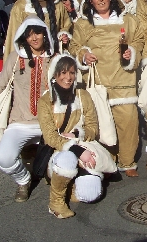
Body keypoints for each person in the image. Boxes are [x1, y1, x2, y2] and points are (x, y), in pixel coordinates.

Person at [70, 0, 144, 177]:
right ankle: (108, 160)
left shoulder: (128, 20)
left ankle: (127, 161)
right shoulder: (83, 23)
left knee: (128, 121)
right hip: (97, 80)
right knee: (102, 123)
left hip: (123, 79)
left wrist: (132, 52)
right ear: (90, 0)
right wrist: (84, 55)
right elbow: (74, 46)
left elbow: (139, 40)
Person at [0, 17, 54, 202]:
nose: (34, 38)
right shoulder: (15, 57)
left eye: (38, 33)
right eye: (29, 35)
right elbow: (0, 85)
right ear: (24, 37)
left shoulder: (54, 57)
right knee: (5, 159)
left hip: (49, 122)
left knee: (58, 168)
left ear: (45, 34)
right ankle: (23, 180)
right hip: (20, 121)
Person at [38, 54, 105, 219]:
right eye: (63, 72)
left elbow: (93, 128)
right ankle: (56, 202)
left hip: (83, 144)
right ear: (55, 74)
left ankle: (71, 184)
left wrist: (77, 134)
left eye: (72, 73)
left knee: (90, 194)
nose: (68, 77)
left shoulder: (83, 95)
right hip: (58, 151)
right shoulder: (46, 101)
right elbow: (50, 137)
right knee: (67, 159)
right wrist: (76, 149)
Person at [4, 0, 71, 60]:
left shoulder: (58, 6)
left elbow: (66, 25)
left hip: (53, 58)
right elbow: (13, 36)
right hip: (28, 59)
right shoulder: (21, 7)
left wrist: (63, 35)